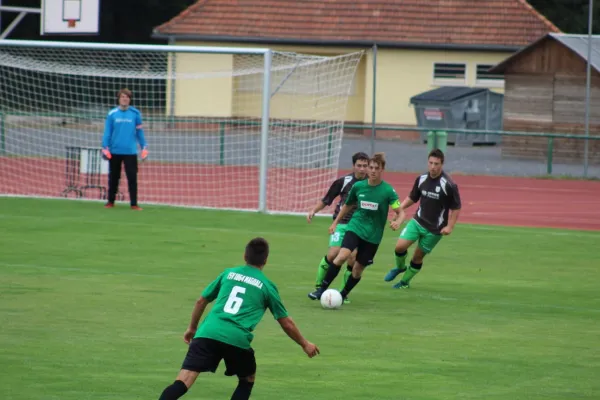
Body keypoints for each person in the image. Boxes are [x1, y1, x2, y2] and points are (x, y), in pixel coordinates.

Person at [158, 237, 319, 400]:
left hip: (207, 333)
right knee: (247, 379)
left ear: (244, 256)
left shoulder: (229, 274)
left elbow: (201, 301)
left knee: (183, 381)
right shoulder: (267, 286)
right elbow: (286, 322)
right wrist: (305, 344)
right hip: (237, 339)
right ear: (266, 260)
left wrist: (192, 328)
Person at [308, 153, 404, 302]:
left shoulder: (387, 191)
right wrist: (335, 223)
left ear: (382, 170)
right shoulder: (358, 187)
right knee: (342, 256)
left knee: (357, 270)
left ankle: (343, 293)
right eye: (370, 167)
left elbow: (400, 211)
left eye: (376, 168)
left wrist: (398, 221)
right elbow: (347, 206)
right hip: (355, 226)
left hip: (373, 235)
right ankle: (321, 290)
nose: (372, 171)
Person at [383, 148, 462, 289]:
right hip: (417, 221)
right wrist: (399, 210)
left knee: (417, 257)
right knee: (400, 247)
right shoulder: (421, 179)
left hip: (434, 230)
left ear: (442, 164)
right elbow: (413, 197)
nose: (433, 167)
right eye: (431, 163)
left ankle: (404, 282)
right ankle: (400, 267)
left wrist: (450, 226)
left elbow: (456, 207)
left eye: (436, 164)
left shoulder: (449, 185)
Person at [306, 152, 369, 304]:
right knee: (333, 253)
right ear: (353, 166)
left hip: (358, 226)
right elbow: (327, 199)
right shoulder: (343, 181)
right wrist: (313, 211)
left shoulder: (371, 184)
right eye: (359, 166)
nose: (362, 169)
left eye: (365, 166)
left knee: (353, 258)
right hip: (341, 223)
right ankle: (319, 287)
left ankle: (343, 294)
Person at [101, 88, 148, 210]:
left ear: (130, 99)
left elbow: (139, 132)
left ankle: (134, 204)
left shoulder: (135, 114)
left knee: (132, 177)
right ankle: (110, 201)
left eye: (127, 97)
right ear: (119, 98)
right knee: (114, 178)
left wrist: (144, 147)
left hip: (130, 152)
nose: (125, 99)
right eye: (122, 96)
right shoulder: (112, 114)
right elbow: (107, 132)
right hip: (115, 151)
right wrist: (105, 147)